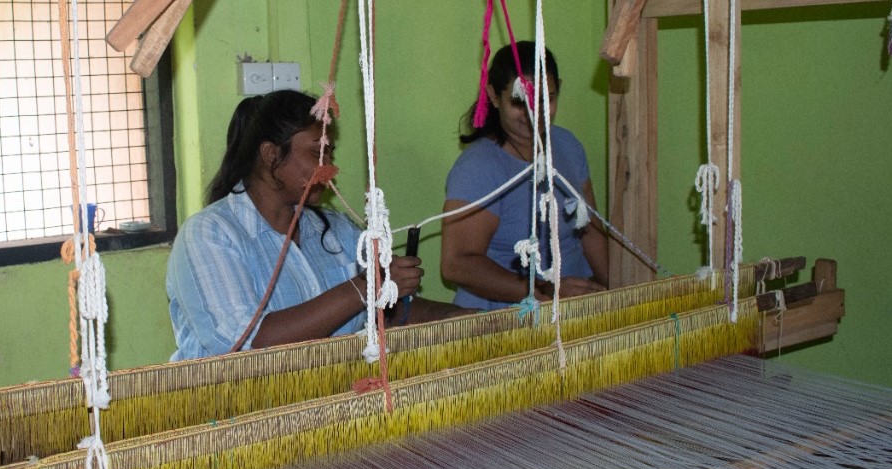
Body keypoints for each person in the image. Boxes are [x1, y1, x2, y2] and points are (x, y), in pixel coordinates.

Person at [168, 90, 463, 361]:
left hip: (332, 395)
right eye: (317, 153)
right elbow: (245, 343)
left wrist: (468, 318)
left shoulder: (337, 231)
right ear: (271, 154)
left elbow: (389, 314)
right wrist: (365, 286)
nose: (330, 167)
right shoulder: (209, 235)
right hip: (238, 401)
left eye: (330, 153)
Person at [441, 42, 609, 311]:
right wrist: (545, 289)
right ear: (494, 96)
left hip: (571, 310)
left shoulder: (567, 146)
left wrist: (623, 292)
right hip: (505, 318)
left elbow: (590, 232)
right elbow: (457, 264)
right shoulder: (479, 167)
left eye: (547, 99)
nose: (535, 113)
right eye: (520, 102)